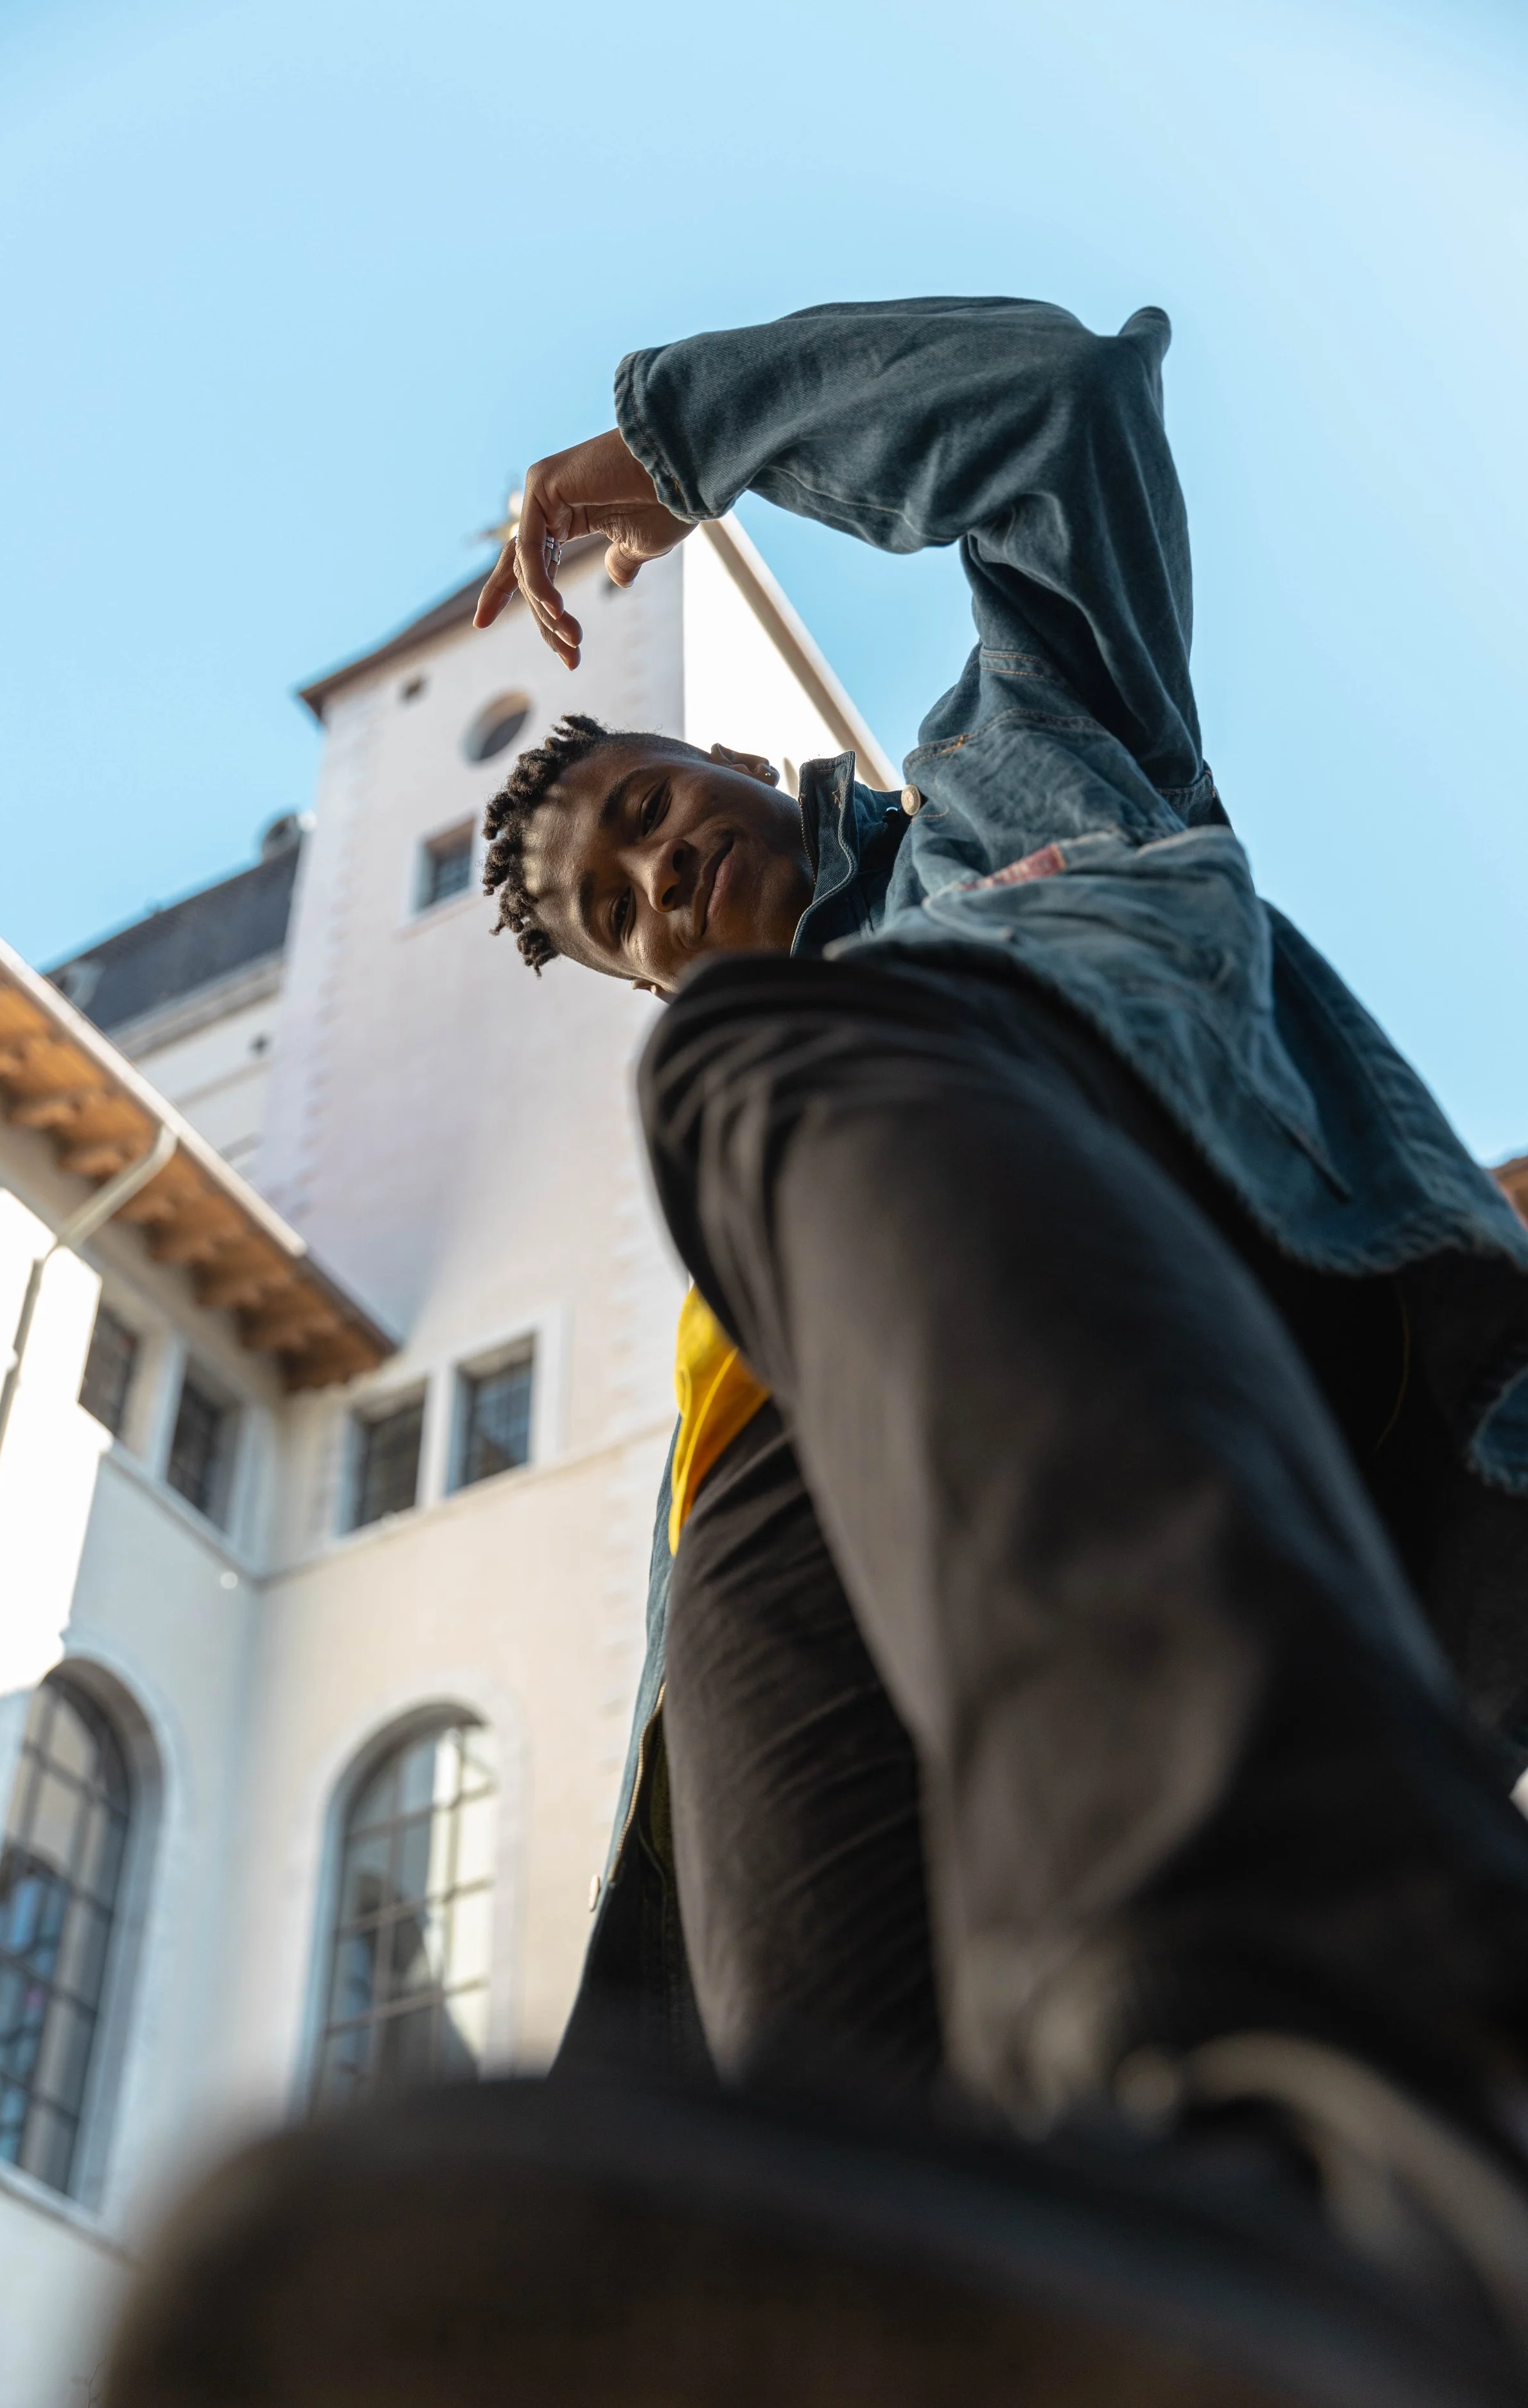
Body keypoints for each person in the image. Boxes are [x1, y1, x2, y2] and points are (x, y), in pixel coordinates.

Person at [470, 297, 1528, 2322]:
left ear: (731, 761)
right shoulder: (768, 1179)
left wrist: (688, 437)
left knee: (776, 1064)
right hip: (807, 1519)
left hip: (1221, 1310)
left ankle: (1370, 2020)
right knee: (859, 2227)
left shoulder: (1018, 775)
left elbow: (1055, 410)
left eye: (643, 812)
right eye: (618, 916)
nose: (654, 875)